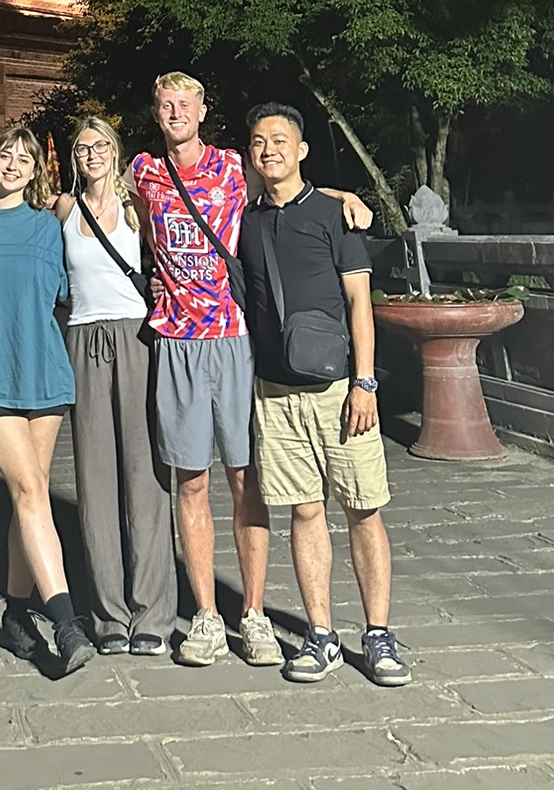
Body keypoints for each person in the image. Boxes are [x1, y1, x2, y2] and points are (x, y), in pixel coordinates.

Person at [130, 72, 372, 669]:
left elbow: (288, 183)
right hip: (176, 337)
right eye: (166, 104)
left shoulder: (235, 165)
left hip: (237, 339)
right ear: (157, 114)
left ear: (203, 109)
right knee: (189, 481)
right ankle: (208, 617)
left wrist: (344, 198)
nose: (176, 112)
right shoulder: (143, 170)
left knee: (246, 479)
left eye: (186, 102)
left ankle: (255, 614)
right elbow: (109, 207)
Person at [239, 103, 410, 687]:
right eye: (259, 142)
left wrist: (367, 382)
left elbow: (361, 302)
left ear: (302, 148)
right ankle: (321, 633)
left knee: (363, 508)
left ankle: (379, 634)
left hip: (340, 388)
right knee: (304, 509)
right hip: (276, 391)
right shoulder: (249, 219)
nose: (270, 151)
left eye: (281, 140)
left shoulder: (335, 217)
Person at [0, 123, 94, 675]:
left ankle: (15, 611)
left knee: (24, 497)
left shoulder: (50, 226)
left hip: (44, 372)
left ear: (38, 171)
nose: (13, 163)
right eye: (6, 153)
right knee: (30, 487)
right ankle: (65, 621)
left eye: (25, 158)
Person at [53, 114, 177, 657]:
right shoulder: (62, 208)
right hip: (82, 339)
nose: (91, 154)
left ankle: (153, 612)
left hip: (135, 338)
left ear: (116, 149)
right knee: (95, 479)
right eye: (82, 148)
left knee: (146, 474)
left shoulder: (138, 204)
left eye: (100, 145)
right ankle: (109, 614)